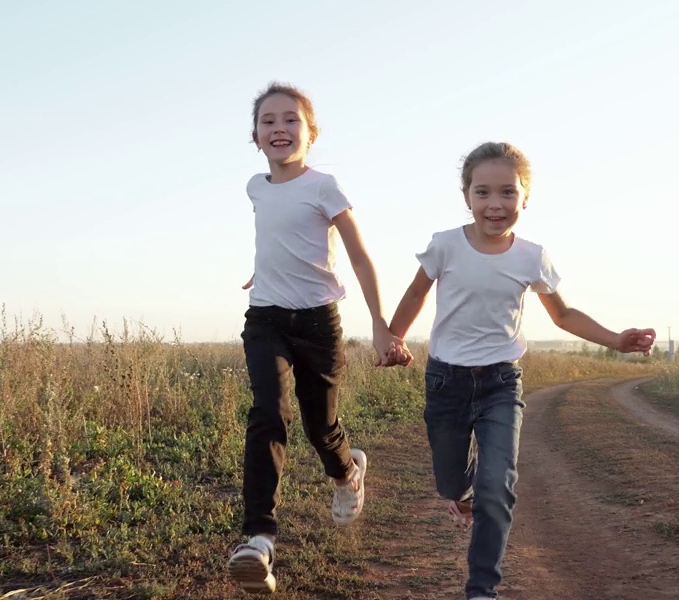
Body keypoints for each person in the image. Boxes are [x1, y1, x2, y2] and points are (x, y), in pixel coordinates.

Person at [384, 141, 655, 600]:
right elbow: (415, 295)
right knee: (450, 481)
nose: (495, 204)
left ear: (524, 198)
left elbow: (563, 316)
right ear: (466, 196)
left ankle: (481, 590)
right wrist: (392, 337)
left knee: (497, 487)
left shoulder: (531, 256)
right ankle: (461, 491)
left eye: (507, 193)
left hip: (501, 384)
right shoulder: (445, 245)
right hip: (446, 380)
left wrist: (616, 340)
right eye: (483, 192)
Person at [228, 82, 412, 594]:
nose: (279, 128)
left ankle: (347, 469)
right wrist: (261, 271)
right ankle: (258, 539)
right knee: (269, 411)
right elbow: (277, 236)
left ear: (311, 133)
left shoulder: (324, 186)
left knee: (320, 427)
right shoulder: (255, 186)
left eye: (291, 120)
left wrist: (380, 325)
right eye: (269, 121)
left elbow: (357, 255)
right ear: (256, 136)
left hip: (317, 323)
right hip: (265, 316)